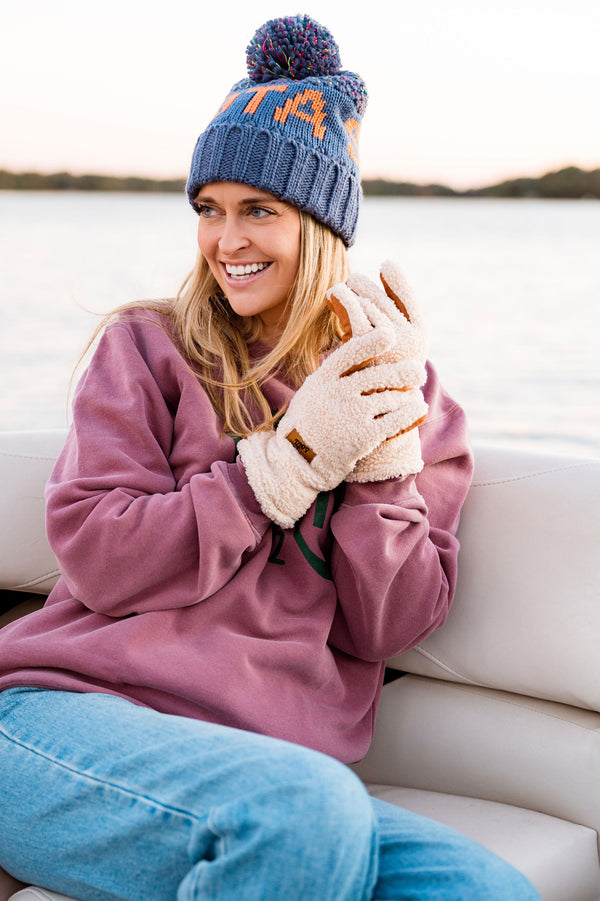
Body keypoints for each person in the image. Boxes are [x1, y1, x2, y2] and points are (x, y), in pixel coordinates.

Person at [0, 14, 539, 901]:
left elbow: (390, 628)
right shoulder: (148, 349)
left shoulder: (408, 397)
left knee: (486, 890)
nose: (226, 240)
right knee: (304, 810)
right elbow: (100, 554)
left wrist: (379, 463)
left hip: (270, 767)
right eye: (209, 209)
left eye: (260, 209)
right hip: (64, 727)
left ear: (322, 224)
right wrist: (278, 466)